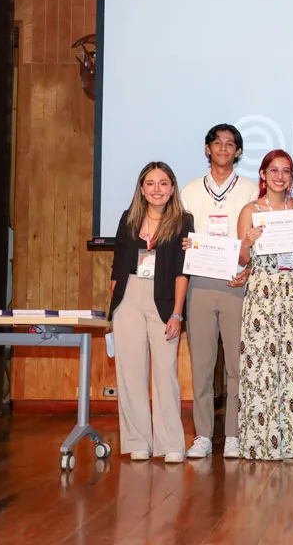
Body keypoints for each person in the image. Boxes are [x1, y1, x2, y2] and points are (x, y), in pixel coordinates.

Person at [233, 150, 293, 460]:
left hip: (292, 292)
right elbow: (242, 259)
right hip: (262, 295)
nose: (280, 176)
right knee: (262, 366)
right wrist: (247, 243)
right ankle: (262, 442)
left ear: (291, 177)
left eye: (286, 171)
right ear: (263, 175)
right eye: (274, 170)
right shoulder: (250, 210)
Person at [181, 124, 259, 459]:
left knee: (236, 364)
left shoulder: (253, 189)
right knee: (201, 363)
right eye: (218, 143)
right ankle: (202, 435)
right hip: (198, 282)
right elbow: (178, 234)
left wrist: (250, 270)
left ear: (238, 152)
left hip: (236, 283)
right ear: (207, 149)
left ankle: (233, 434)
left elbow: (261, 239)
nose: (224, 148)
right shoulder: (189, 190)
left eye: (231, 144)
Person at [109, 161, 194, 463]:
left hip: (164, 300)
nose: (156, 189)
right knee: (130, 373)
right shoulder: (128, 218)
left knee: (165, 373)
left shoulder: (184, 221)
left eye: (163, 183)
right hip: (129, 296)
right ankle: (137, 441)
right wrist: (115, 306)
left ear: (172, 188)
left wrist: (177, 313)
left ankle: (171, 443)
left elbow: (184, 271)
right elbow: (118, 266)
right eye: (150, 183)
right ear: (141, 189)